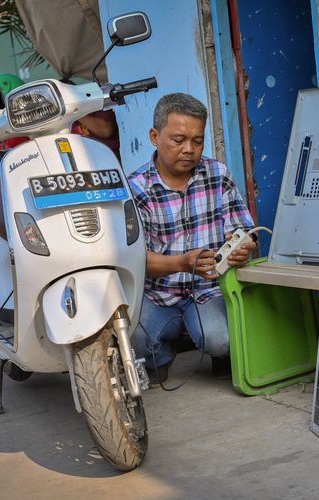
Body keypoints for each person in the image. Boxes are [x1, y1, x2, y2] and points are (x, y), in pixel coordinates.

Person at [127, 93, 255, 383]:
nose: (189, 149)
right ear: (154, 136)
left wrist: (243, 248)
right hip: (157, 294)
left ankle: (217, 351)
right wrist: (182, 263)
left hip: (208, 289)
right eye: (178, 140)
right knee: (135, 338)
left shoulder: (217, 173)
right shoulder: (135, 188)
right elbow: (134, 259)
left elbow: (243, 231)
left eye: (197, 141)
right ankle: (160, 356)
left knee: (221, 339)